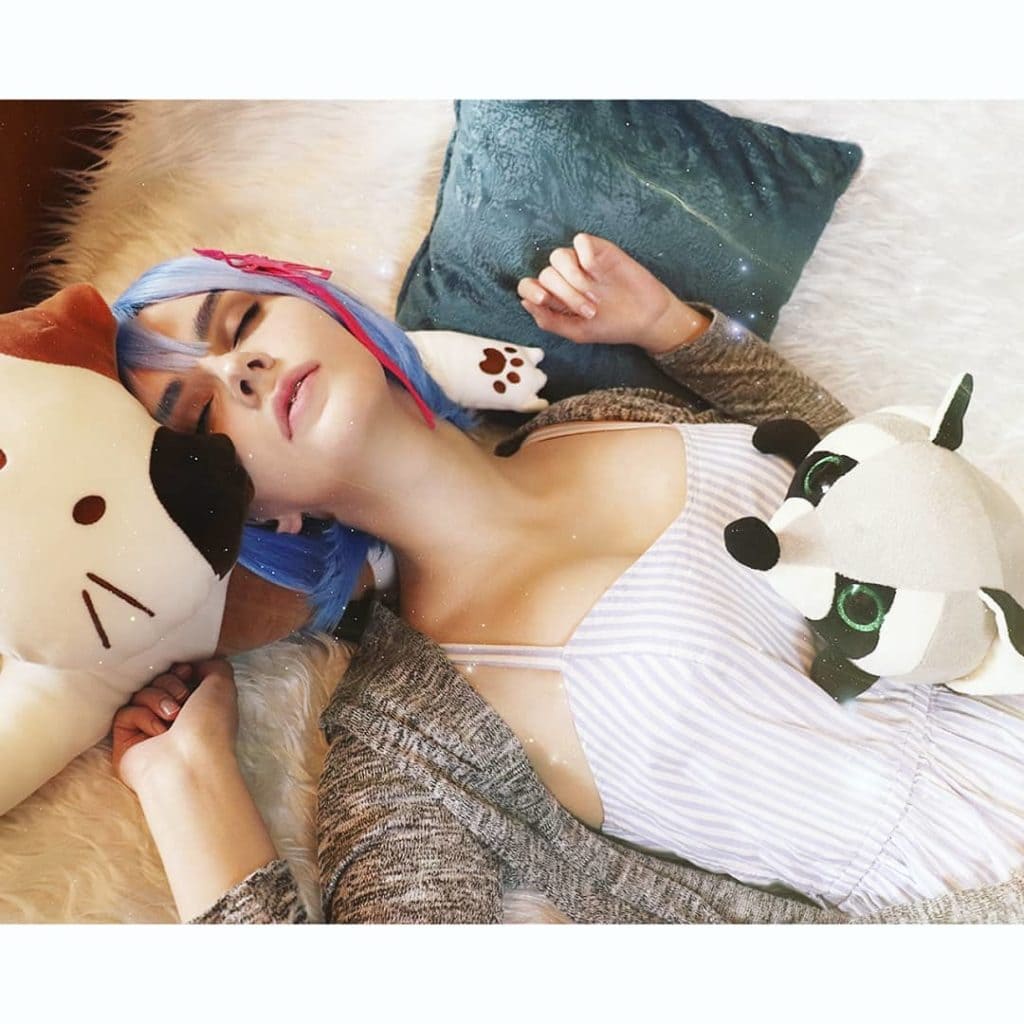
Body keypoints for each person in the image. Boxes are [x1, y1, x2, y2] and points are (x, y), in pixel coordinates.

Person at [108, 234, 1024, 924]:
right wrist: (188, 785)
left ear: (326, 309)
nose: (239, 370)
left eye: (241, 322)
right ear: (257, 514)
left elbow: (869, 487)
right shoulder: (413, 747)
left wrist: (675, 329)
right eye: (202, 415)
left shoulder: (606, 412)